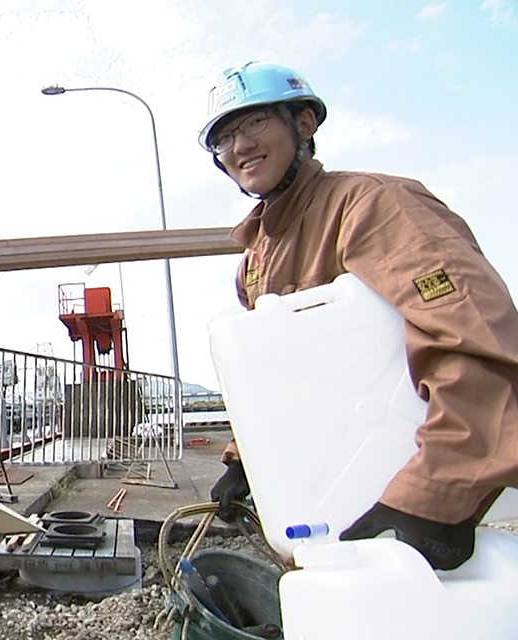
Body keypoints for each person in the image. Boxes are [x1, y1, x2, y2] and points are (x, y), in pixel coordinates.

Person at [201, 61, 518, 571]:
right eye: (225, 137)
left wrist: (435, 495)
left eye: (256, 122)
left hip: (404, 474)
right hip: (333, 486)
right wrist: (247, 461)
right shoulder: (255, 261)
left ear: (303, 123)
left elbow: (472, 336)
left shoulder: (373, 207)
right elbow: (276, 378)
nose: (240, 146)